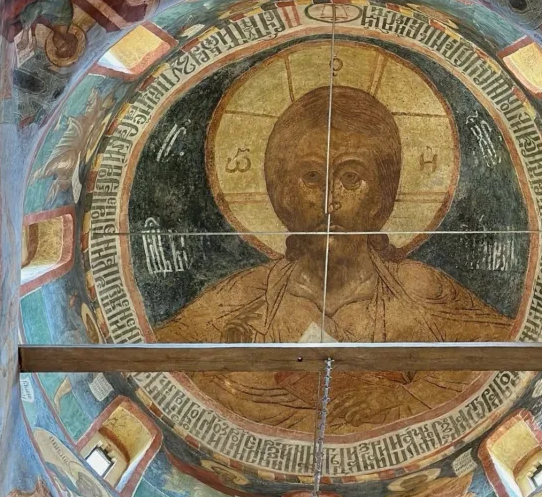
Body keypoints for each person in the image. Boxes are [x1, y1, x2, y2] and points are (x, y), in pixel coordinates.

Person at [157, 86, 511, 434]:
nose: (329, 200)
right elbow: (163, 357)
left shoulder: (419, 290)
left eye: (351, 177)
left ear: (381, 197)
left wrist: (401, 397)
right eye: (311, 177)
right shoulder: (246, 295)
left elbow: (503, 357)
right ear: (284, 194)